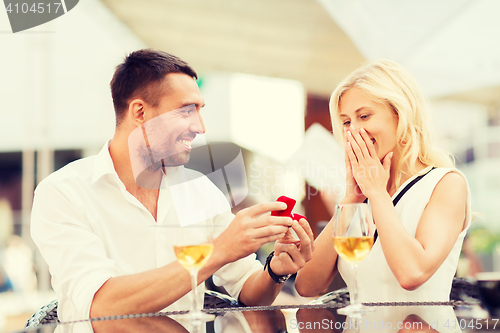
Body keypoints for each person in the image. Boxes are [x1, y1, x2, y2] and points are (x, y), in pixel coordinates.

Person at [30, 49, 314, 326]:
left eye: (200, 111)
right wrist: (218, 251)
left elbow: (248, 289)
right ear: (139, 112)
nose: (200, 127)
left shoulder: (200, 192)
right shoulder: (63, 192)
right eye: (186, 111)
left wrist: (277, 270)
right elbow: (102, 306)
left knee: (270, 319)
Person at [295, 59, 471, 302]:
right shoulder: (362, 193)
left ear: (400, 114)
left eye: (364, 116)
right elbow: (306, 285)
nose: (353, 131)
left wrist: (377, 193)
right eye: (346, 122)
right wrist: (350, 198)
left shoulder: (446, 184)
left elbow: (412, 273)